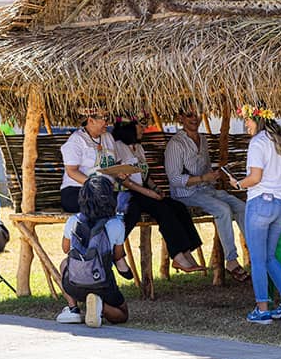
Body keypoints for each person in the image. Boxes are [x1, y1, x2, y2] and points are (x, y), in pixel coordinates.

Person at [227, 103, 281, 324]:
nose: (246, 124)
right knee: (269, 257)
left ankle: (262, 309)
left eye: (247, 120)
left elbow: (255, 178)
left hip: (260, 202)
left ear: (257, 119)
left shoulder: (258, 142)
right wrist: (278, 188)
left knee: (258, 259)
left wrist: (238, 184)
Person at [164, 101, 248, 281]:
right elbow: (175, 179)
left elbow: (206, 169)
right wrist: (203, 178)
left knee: (242, 207)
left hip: (206, 189)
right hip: (186, 195)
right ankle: (231, 261)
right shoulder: (176, 144)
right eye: (189, 115)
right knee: (222, 209)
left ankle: (256, 254)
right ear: (180, 118)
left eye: (197, 114)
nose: (194, 118)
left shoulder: (202, 139)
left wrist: (214, 176)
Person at [112, 116, 204, 272]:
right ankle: (177, 256)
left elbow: (144, 175)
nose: (143, 129)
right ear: (129, 128)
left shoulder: (138, 147)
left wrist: (155, 188)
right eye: (140, 126)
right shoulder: (117, 147)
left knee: (177, 206)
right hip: (126, 193)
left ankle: (186, 251)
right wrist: (148, 192)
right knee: (163, 209)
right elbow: (121, 179)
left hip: (142, 192)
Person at [57, 176, 129, 327]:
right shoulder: (116, 224)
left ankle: (73, 308)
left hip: (75, 283)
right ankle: (100, 306)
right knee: (122, 314)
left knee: (65, 263)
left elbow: (65, 249)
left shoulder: (73, 221)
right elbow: (117, 256)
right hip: (102, 282)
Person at [59, 108, 117, 213]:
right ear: (91, 121)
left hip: (105, 191)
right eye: (104, 118)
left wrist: (119, 173)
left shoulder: (108, 137)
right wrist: (95, 186)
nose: (107, 122)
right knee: (100, 206)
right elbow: (72, 171)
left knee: (130, 203)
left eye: (107, 118)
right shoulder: (76, 140)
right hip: (78, 190)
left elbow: (113, 163)